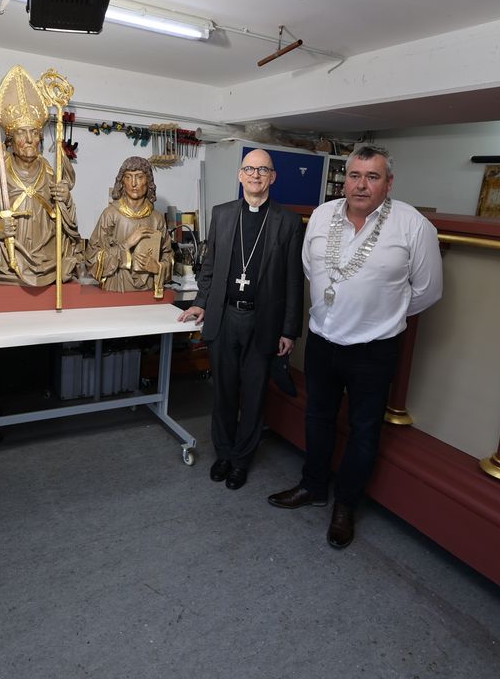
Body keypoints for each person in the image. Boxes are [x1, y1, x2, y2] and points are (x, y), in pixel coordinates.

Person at [267, 144, 443, 549]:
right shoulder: (322, 215)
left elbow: (428, 292)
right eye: (354, 175)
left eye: (373, 176)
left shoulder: (412, 225)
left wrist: (382, 314)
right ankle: (313, 486)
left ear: (389, 182)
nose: (361, 185)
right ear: (344, 178)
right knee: (318, 418)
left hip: (374, 348)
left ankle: (345, 505)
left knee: (364, 431)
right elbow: (312, 269)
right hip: (323, 340)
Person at [178, 149, 304, 490]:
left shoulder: (289, 222)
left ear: (273, 177)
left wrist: (290, 330)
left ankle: (241, 460)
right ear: (240, 175)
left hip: (263, 321)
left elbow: (294, 279)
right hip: (225, 315)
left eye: (263, 169)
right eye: (249, 169)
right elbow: (210, 266)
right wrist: (202, 303)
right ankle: (223, 453)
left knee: (253, 394)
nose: (256, 175)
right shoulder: (222, 214)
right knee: (223, 392)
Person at [0, 65, 83, 286]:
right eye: (21, 132)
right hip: (8, 261)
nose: (29, 139)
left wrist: (65, 199)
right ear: (9, 141)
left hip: (50, 260)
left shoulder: (52, 173)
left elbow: (69, 226)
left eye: (34, 133)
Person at [86, 156, 174, 297]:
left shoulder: (156, 218)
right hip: (117, 287)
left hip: (148, 290)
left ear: (148, 181)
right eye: (128, 177)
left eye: (139, 177)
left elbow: (168, 255)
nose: (133, 183)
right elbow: (92, 257)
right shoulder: (110, 215)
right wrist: (126, 244)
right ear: (122, 182)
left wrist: (158, 267)